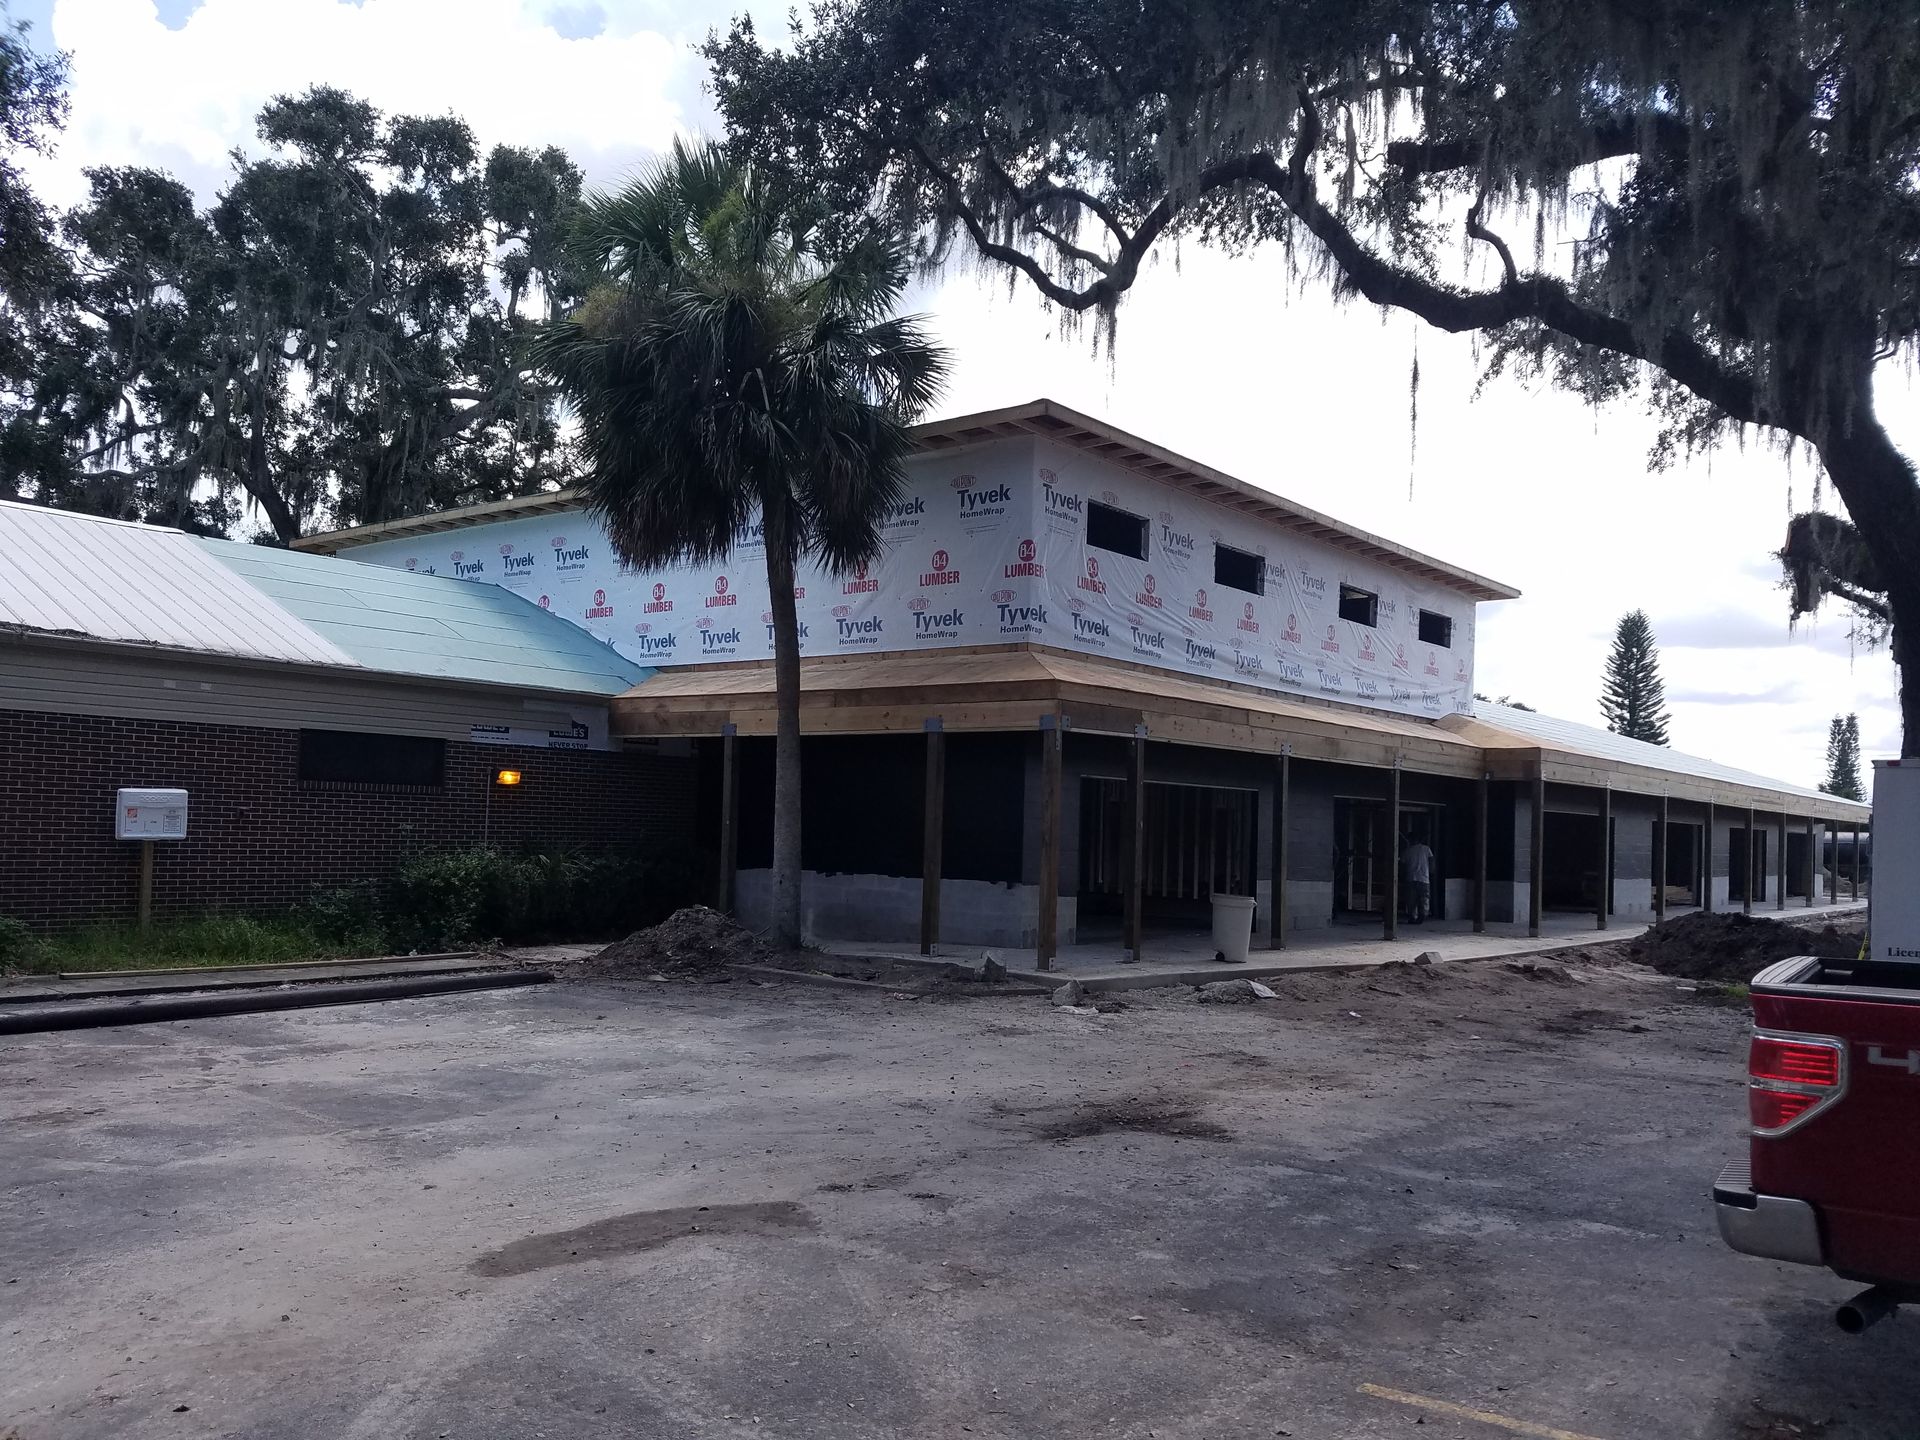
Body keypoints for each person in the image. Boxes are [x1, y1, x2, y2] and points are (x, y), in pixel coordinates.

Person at [1401, 832, 1434, 924]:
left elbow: (1402, 865)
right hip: (1424, 879)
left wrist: (1402, 876)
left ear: (1410, 840)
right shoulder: (1426, 849)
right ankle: (1423, 914)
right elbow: (1431, 861)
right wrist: (1431, 872)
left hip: (1410, 878)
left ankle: (1412, 916)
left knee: (1411, 900)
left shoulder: (1407, 851)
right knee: (1424, 898)